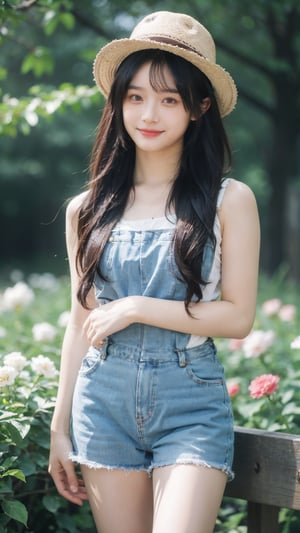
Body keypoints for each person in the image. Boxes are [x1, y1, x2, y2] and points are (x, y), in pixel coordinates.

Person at [48, 10, 260, 533]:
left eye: (170, 99)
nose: (149, 113)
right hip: (102, 403)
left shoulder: (229, 200)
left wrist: (137, 307)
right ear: (118, 100)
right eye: (136, 95)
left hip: (189, 402)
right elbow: (80, 324)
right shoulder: (87, 209)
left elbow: (238, 318)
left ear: (199, 107)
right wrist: (59, 426)